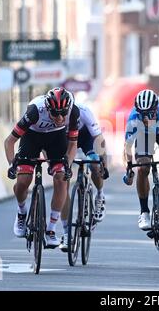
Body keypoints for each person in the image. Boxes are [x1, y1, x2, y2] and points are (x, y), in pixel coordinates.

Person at [4, 87, 79, 248]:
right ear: (47, 108)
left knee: (61, 178)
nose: (59, 118)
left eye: (63, 114)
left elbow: (73, 144)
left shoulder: (73, 111)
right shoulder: (35, 111)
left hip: (56, 139)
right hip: (32, 137)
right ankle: (22, 212)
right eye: (55, 113)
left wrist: (68, 163)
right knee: (23, 180)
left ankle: (51, 229)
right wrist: (12, 164)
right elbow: (9, 141)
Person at [122, 89, 159, 247]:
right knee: (142, 167)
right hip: (144, 137)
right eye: (143, 114)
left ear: (156, 109)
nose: (147, 118)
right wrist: (128, 170)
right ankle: (144, 212)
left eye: (150, 113)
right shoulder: (134, 117)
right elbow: (127, 147)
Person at [59, 102, 109, 251]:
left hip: (86, 137)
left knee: (94, 164)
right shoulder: (55, 116)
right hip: (65, 139)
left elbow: (99, 140)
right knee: (63, 182)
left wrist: (103, 164)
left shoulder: (84, 111)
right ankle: (66, 233)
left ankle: (100, 195)